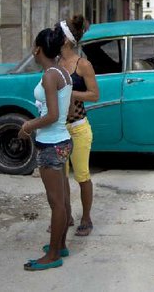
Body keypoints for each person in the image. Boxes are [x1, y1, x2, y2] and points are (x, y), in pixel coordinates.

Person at [18, 26, 74, 271]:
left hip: (51, 143)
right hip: (62, 140)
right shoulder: (64, 73)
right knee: (62, 198)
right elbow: (66, 111)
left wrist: (28, 125)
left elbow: (51, 114)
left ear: (37, 49)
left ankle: (52, 255)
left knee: (56, 202)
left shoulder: (50, 75)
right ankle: (59, 245)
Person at [57, 15, 99, 237]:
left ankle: (86, 218)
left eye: (57, 32)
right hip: (59, 129)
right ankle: (66, 215)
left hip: (78, 128)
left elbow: (94, 94)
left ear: (66, 40)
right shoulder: (55, 63)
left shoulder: (83, 65)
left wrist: (70, 92)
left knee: (82, 175)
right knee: (61, 177)